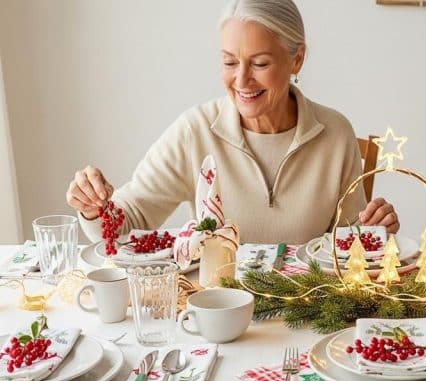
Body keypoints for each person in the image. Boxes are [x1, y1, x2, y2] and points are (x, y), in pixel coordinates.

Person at [66, 0, 399, 244]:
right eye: (229, 62)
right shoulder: (194, 131)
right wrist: (95, 209)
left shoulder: (335, 133)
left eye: (260, 63)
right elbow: (127, 222)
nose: (242, 80)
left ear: (296, 59)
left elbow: (349, 244)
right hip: (216, 317)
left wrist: (375, 229)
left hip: (305, 314)